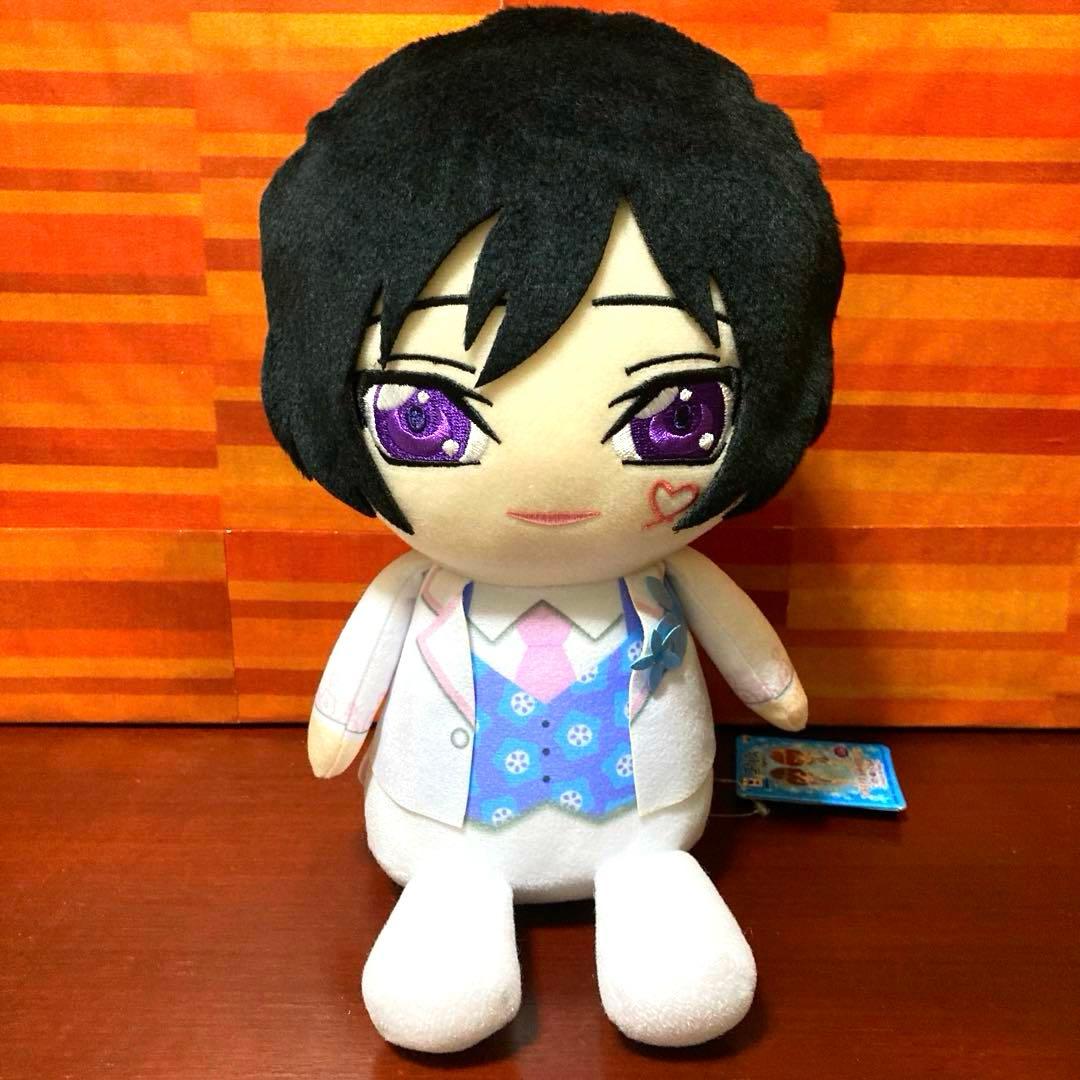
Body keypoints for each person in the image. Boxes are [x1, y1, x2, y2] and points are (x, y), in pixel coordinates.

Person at [260, 6, 843, 1053]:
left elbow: (759, 668)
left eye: (675, 413)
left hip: (646, 825)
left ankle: (649, 888)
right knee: (438, 968)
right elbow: (352, 692)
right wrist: (338, 730)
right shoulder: (415, 589)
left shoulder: (669, 576)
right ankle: (454, 901)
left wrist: (774, 692)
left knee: (676, 967)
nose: (548, 485)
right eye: (426, 416)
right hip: (445, 834)